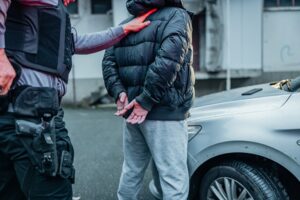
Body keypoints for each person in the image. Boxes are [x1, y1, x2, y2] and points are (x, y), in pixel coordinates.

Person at [0, 0, 155, 199]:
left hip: (29, 114)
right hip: (30, 117)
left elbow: (76, 42)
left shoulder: (51, 9)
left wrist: (123, 29)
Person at [102, 0, 195, 199]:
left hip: (132, 111)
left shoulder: (128, 22)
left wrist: (119, 92)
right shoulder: (177, 16)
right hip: (164, 112)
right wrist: (146, 100)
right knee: (173, 178)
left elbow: (108, 61)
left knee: (132, 171)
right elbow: (168, 62)